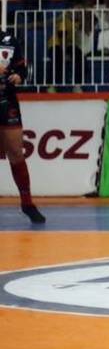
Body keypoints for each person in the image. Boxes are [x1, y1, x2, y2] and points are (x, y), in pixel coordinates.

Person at [0, 30, 45, 223]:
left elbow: (22, 68)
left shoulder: (9, 40)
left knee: (16, 153)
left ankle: (27, 203)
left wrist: (19, 76)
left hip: (6, 100)